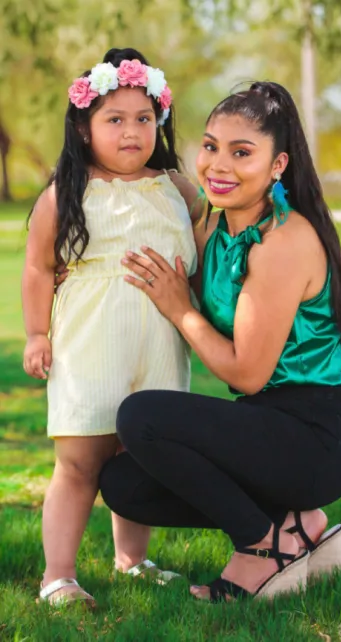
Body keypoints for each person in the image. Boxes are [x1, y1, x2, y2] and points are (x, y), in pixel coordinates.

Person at [96, 81, 341, 603]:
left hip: (314, 438)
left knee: (140, 418)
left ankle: (261, 547)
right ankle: (293, 525)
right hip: (266, 425)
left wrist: (181, 310)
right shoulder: (212, 225)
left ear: (278, 165)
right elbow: (150, 182)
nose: (218, 165)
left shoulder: (283, 242)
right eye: (210, 146)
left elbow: (246, 374)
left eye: (241, 152)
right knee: (124, 485)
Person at [24, 48, 197, 609]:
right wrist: (36, 334)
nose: (131, 132)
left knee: (139, 458)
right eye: (114, 120)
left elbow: (209, 235)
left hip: (158, 346)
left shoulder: (176, 188)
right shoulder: (67, 192)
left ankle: (131, 560)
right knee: (79, 464)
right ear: (83, 126)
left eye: (143, 119)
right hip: (91, 346)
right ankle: (59, 576)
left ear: (160, 123)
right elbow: (38, 266)